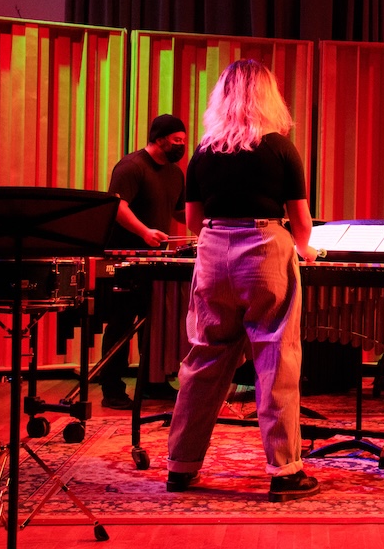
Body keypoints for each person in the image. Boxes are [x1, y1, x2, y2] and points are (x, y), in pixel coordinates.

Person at [166, 59, 320, 503]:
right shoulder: (280, 148)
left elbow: (193, 221)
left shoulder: (202, 151)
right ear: (269, 96)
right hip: (265, 247)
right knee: (276, 359)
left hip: (213, 252)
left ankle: (181, 466)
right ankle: (284, 471)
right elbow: (301, 222)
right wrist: (302, 247)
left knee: (205, 359)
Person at [100, 114, 187, 409]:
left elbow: (178, 212)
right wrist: (144, 231)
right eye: (177, 141)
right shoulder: (132, 166)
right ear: (160, 139)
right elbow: (117, 206)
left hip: (155, 261)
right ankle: (112, 389)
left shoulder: (175, 174)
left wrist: (207, 227)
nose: (181, 146)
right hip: (126, 259)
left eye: (184, 142)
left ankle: (154, 382)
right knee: (122, 324)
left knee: (156, 323)